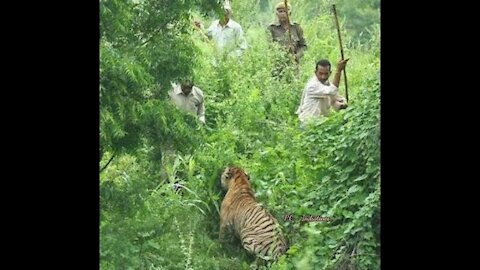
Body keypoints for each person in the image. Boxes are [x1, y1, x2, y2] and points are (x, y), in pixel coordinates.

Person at [296, 59, 349, 126]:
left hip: (320, 123)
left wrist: (343, 106)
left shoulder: (326, 83)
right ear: (315, 72)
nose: (323, 77)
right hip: (308, 124)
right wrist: (338, 71)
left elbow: (333, 100)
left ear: (330, 73)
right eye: (320, 73)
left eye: (326, 74)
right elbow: (332, 90)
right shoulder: (313, 85)